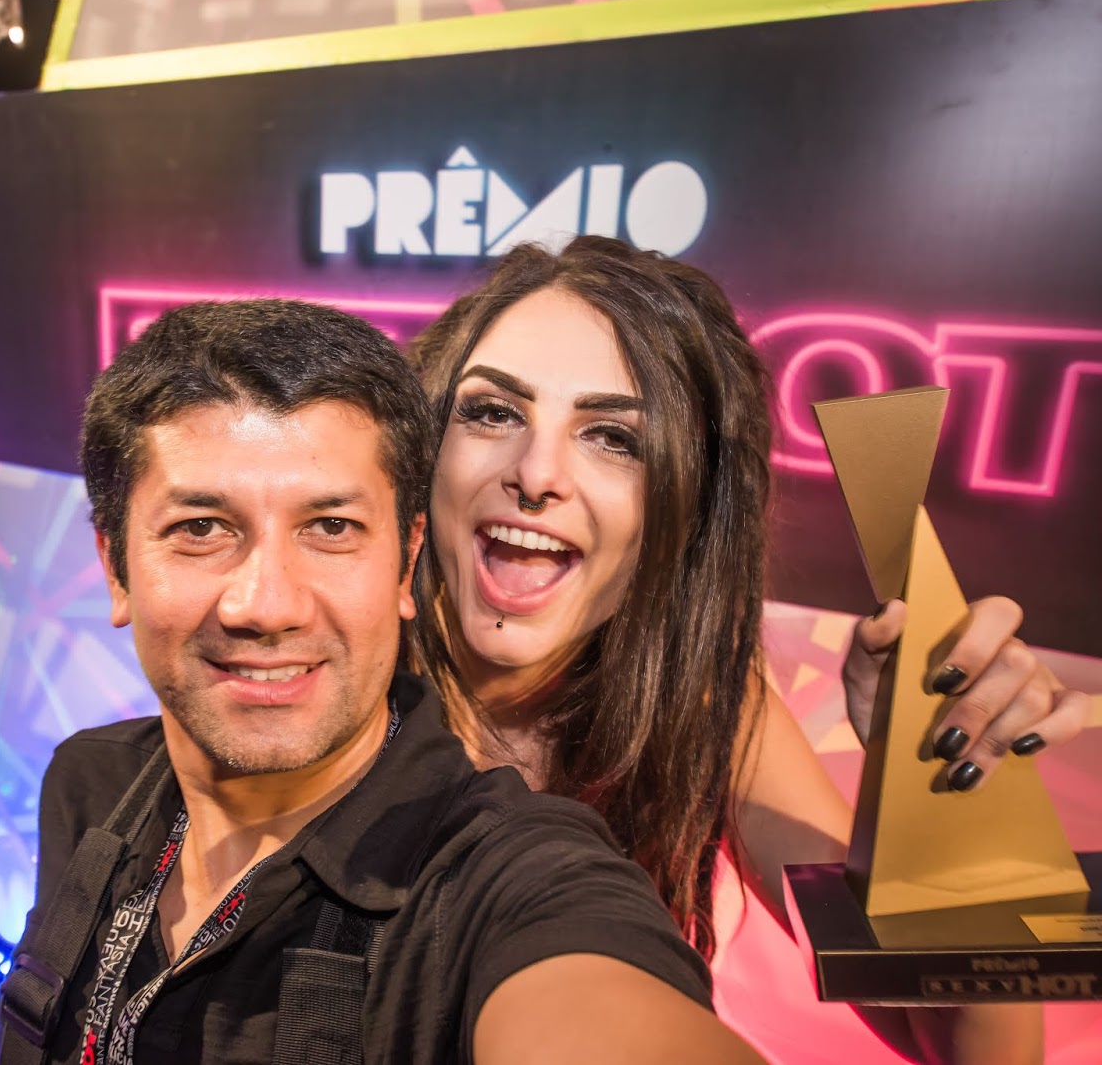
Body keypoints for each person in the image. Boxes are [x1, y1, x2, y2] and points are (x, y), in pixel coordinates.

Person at [0, 299, 767, 1065]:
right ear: (116, 569)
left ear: (405, 562)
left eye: (331, 528)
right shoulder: (90, 782)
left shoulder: (501, 879)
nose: (267, 605)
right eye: (201, 529)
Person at [406, 236, 1090, 1065]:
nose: (537, 472)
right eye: (492, 412)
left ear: (687, 507)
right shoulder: (333, 670)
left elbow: (953, 1040)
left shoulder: (697, 698)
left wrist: (946, 786)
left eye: (615, 437)